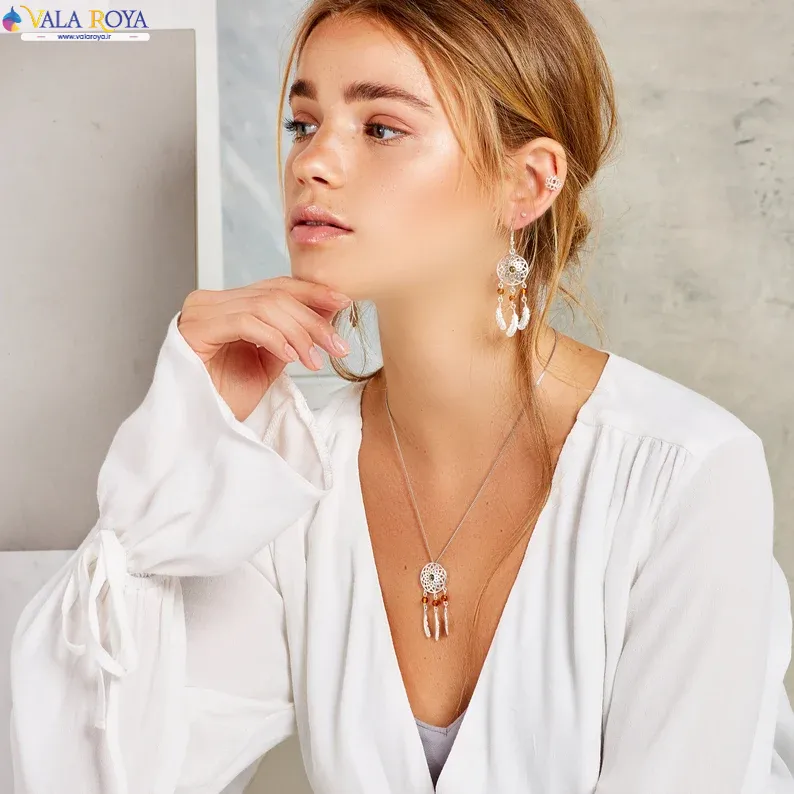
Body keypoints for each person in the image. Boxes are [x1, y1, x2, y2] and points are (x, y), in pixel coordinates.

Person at [10, 0, 794, 792]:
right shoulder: (294, 477)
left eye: (381, 128)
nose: (311, 162)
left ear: (526, 183)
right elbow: (101, 774)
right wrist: (187, 441)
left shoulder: (684, 476)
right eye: (303, 123)